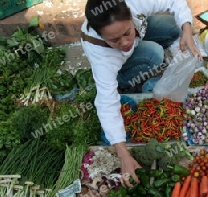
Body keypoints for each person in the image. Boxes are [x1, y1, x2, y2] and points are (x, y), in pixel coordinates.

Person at [81, 0, 201, 187]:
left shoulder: (132, 3)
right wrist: (123, 154)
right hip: (116, 63)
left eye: (127, 32)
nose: (124, 42)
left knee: (174, 28)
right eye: (114, 40)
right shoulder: (102, 56)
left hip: (140, 30)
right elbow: (107, 103)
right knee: (154, 54)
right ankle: (126, 80)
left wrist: (186, 29)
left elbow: (174, 1)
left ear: (130, 13)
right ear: (100, 35)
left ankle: (141, 41)